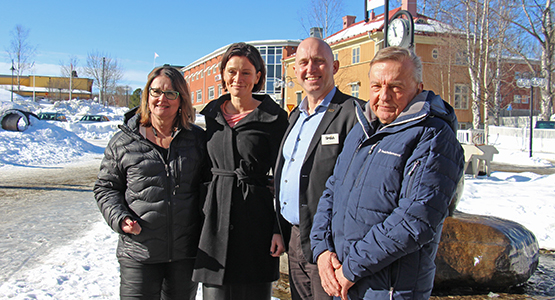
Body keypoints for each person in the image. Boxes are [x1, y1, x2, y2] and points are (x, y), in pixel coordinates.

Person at [310, 47, 465, 300]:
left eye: (396, 86)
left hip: (389, 289)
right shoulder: (363, 130)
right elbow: (332, 190)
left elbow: (415, 219)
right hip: (344, 281)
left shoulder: (433, 135)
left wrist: (350, 268)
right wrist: (322, 250)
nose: (384, 96)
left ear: (418, 87)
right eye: (376, 86)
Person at [94, 66, 209, 300]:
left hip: (184, 254)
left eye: (171, 93)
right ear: (147, 96)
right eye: (155, 92)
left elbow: (210, 186)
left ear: (181, 99)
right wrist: (120, 217)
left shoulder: (197, 140)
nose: (162, 99)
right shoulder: (124, 141)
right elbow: (106, 188)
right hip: (139, 252)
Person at [193, 42, 289, 300]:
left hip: (256, 222)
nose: (238, 78)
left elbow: (284, 176)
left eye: (246, 72)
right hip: (215, 221)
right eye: (232, 71)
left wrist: (279, 228)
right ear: (223, 74)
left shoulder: (274, 118)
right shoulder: (211, 116)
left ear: (258, 76)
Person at [274, 37, 365, 300]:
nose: (311, 68)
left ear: (334, 66)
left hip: (330, 244)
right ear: (295, 71)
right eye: (303, 62)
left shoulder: (352, 113)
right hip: (294, 236)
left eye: (319, 61)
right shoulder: (295, 117)